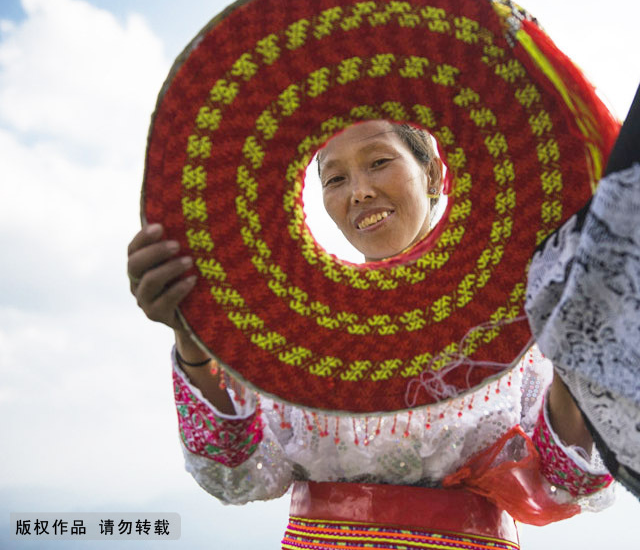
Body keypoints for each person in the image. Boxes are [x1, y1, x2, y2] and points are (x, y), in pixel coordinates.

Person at [127, 119, 614, 549]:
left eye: (379, 161)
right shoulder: (296, 330)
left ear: (434, 174)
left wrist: (570, 342)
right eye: (335, 178)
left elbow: (562, 476)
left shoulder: (510, 316)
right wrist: (191, 334)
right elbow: (236, 471)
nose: (358, 191)